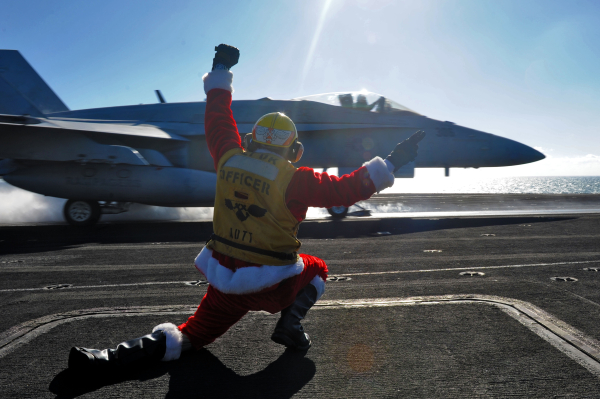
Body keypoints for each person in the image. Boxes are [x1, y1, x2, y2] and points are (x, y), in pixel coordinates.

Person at [67, 44, 425, 371]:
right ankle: (291, 324)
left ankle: (105, 358)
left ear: (252, 141)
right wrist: (393, 161)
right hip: (273, 282)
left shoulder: (228, 157)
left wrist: (221, 68)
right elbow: (348, 189)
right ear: (293, 151)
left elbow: (218, 117)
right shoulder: (297, 179)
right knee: (317, 269)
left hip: (224, 280)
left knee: (188, 336)